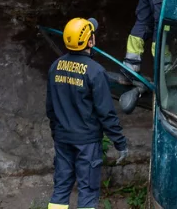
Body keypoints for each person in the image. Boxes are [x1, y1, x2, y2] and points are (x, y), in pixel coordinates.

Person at [47, 17, 128, 209]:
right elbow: (106, 113)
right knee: (88, 191)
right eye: (93, 33)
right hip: (87, 143)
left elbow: (50, 109)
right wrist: (120, 142)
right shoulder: (95, 71)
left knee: (61, 188)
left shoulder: (55, 67)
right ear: (89, 41)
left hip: (63, 139)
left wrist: (57, 133)